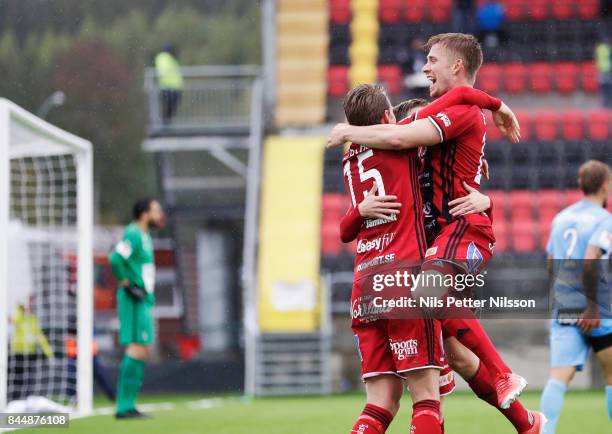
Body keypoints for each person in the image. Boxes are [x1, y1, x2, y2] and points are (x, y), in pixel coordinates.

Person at [328, 33, 545, 433]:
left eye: (431, 61)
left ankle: (508, 386)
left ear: (456, 66)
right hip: (418, 256)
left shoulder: (385, 148)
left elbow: (444, 112)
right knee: (454, 363)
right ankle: (527, 422)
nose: (425, 68)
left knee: (401, 392)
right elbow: (409, 130)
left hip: (420, 255)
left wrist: (349, 137)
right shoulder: (406, 142)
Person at [341, 83, 503, 434]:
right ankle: (516, 403)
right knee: (427, 398)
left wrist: (358, 211)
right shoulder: (402, 147)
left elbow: (344, 229)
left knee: (380, 401)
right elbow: (456, 103)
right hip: (405, 278)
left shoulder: (350, 159)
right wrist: (489, 122)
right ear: (387, 118)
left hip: (365, 286)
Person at [540, 160, 612, 433]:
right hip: (598, 312)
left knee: (558, 378)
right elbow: (591, 258)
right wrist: (592, 307)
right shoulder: (605, 220)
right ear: (605, 186)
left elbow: (550, 262)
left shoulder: (562, 218)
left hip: (565, 308)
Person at [109, 198, 165, 419]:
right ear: (144, 214)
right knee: (136, 347)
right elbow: (115, 258)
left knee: (143, 349)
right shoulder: (132, 233)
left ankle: (129, 405)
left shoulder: (145, 235)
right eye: (156, 210)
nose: (159, 214)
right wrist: (127, 284)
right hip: (133, 299)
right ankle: (124, 407)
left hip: (142, 299)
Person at [8, 303, 54, 401]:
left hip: (29, 353)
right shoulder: (19, 317)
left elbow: (40, 336)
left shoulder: (33, 320)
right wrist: (19, 308)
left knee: (28, 378)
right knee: (16, 378)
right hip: (17, 353)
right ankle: (14, 399)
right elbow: (13, 320)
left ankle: (26, 399)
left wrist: (48, 352)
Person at [154, 44, 184, 123]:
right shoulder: (163, 58)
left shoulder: (169, 58)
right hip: (168, 87)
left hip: (173, 87)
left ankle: (166, 124)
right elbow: (164, 71)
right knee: (169, 108)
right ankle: (165, 124)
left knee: (170, 108)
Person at [595, 35, 612, 108]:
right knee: (608, 88)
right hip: (607, 70)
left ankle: (604, 104)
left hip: (601, 70)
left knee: (603, 88)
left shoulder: (599, 49)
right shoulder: (608, 49)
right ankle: (607, 104)